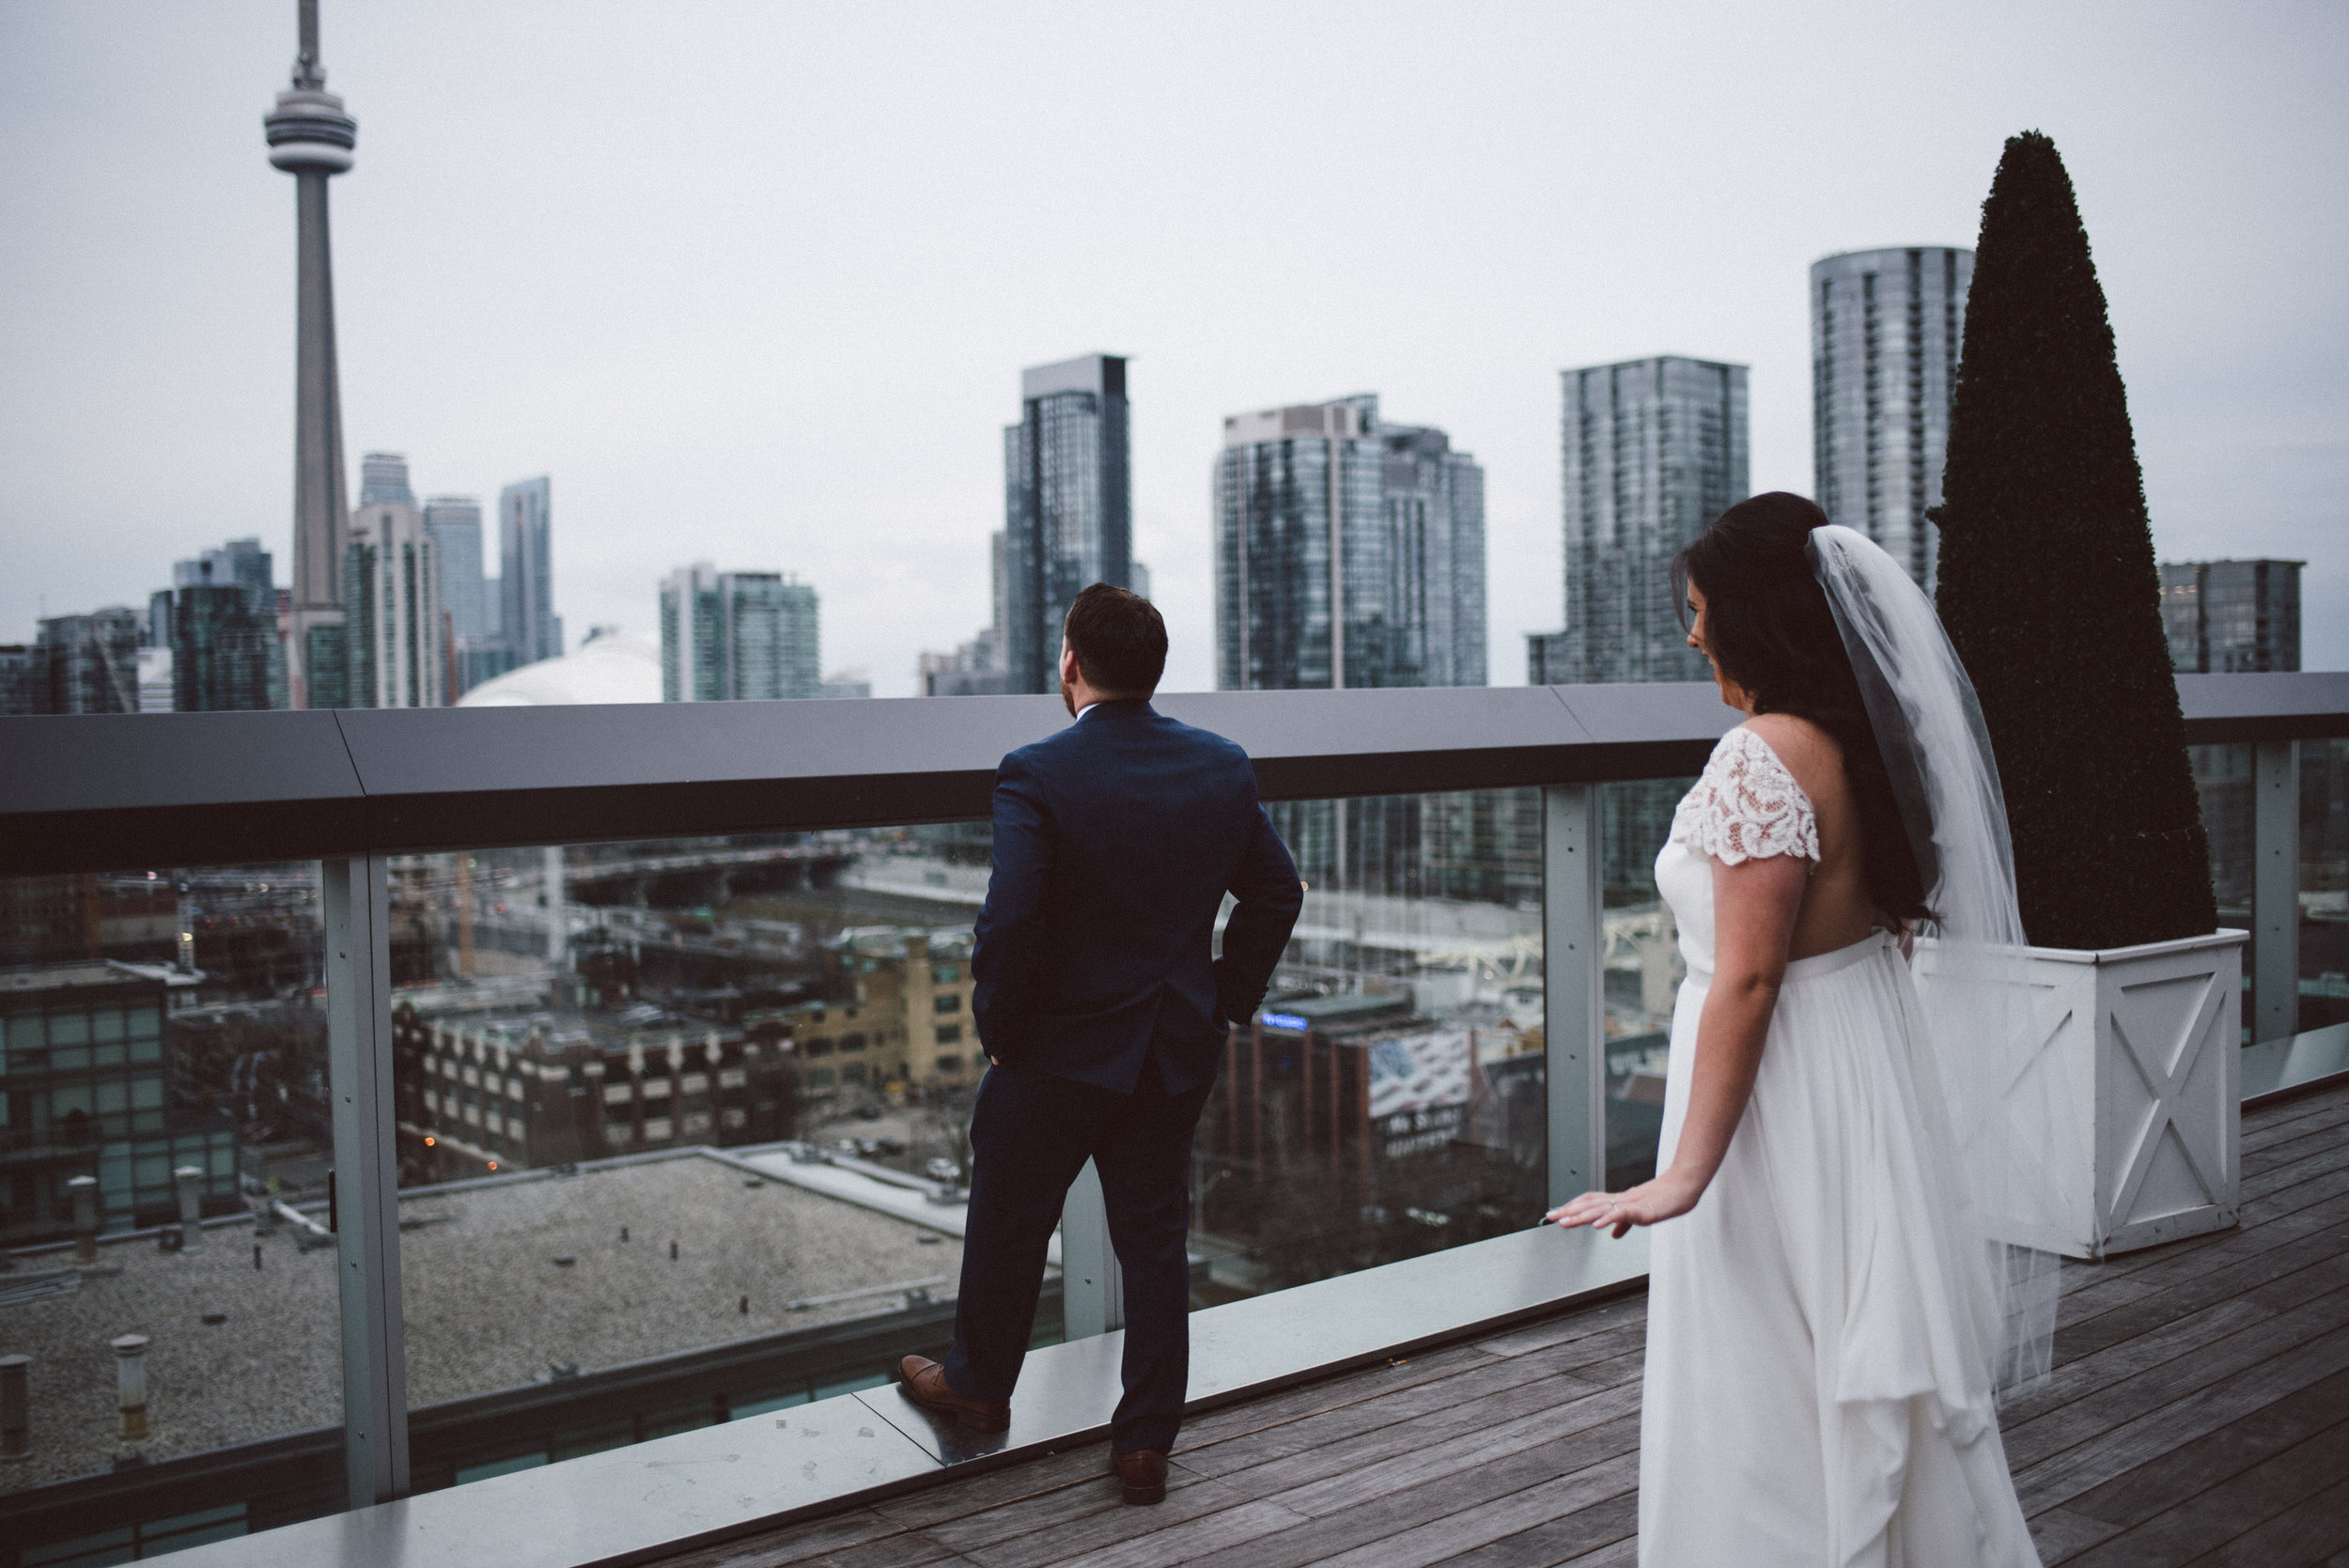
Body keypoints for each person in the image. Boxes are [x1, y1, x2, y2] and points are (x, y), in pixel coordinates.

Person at [1548, 493, 2050, 1565]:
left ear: (1755, 616)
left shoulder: (1760, 755)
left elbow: (1747, 979)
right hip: (1852, 1057)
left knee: (1759, 1359)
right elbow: (1875, 928)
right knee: (1837, 1337)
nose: (1690, 634)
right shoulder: (1864, 742)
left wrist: (1682, 1174)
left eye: (1699, 610)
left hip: (1776, 1099)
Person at [895, 583, 1302, 1506]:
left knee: (1008, 1214)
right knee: (1154, 1237)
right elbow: (1277, 893)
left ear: (1071, 665)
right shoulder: (1220, 766)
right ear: (1153, 671)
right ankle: (1145, 1439)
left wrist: (1003, 1030)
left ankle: (979, 1385)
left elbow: (1011, 924)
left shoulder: (1035, 772)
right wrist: (1224, 998)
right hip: (1169, 1047)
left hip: (1052, 1050)